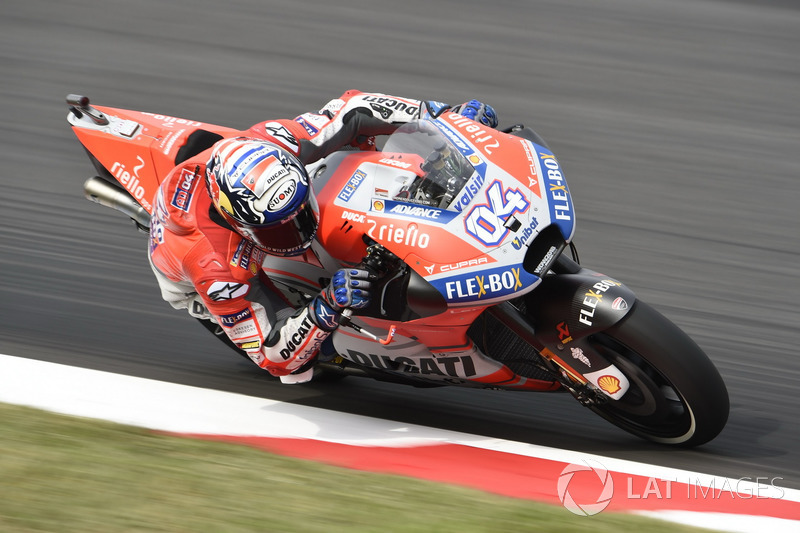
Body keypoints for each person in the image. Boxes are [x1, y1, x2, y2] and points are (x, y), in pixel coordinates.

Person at [148, 90, 498, 383]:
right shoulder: (214, 268)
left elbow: (352, 109)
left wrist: (442, 117)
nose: (298, 230)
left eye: (299, 214)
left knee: (364, 159)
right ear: (237, 221)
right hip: (194, 271)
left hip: (241, 187)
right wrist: (326, 306)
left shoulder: (275, 141)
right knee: (315, 354)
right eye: (280, 228)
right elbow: (274, 355)